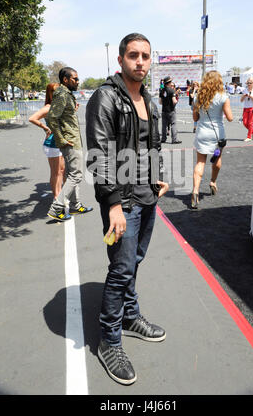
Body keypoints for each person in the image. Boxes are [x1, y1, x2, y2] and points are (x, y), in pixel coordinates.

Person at [86, 32, 169, 386]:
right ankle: (110, 340)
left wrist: (159, 177)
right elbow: (100, 155)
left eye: (145, 56)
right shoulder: (105, 98)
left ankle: (131, 316)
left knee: (134, 262)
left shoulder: (147, 98)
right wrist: (113, 204)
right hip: (122, 202)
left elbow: (149, 145)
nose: (140, 61)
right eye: (133, 55)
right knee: (120, 270)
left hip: (146, 197)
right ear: (120, 59)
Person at [46, 67, 93, 221]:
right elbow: (51, 118)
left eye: (78, 79)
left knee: (70, 174)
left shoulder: (66, 94)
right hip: (69, 142)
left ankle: (75, 205)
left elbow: (62, 116)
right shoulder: (61, 93)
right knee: (76, 175)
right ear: (65, 80)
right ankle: (57, 208)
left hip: (72, 139)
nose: (78, 82)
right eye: (75, 79)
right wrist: (61, 139)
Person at [191, 70, 233, 209]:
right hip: (217, 135)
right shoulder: (223, 97)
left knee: (200, 162)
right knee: (217, 159)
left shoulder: (199, 97)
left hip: (202, 132)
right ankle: (213, 182)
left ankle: (195, 191)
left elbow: (195, 118)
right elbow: (230, 118)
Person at [29, 83, 65, 199]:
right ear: (50, 93)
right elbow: (32, 118)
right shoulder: (48, 107)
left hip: (60, 143)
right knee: (56, 172)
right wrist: (45, 128)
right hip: (52, 144)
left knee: (62, 170)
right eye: (55, 91)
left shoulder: (57, 106)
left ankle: (60, 194)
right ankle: (56, 197)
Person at [159, 76, 182, 144]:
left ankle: (163, 138)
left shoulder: (162, 90)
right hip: (171, 110)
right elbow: (174, 101)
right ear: (169, 83)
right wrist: (176, 102)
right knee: (173, 124)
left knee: (164, 125)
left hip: (164, 110)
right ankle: (174, 139)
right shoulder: (172, 90)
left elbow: (160, 102)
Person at [240, 77, 253, 142]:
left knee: (250, 123)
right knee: (245, 123)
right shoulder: (245, 90)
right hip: (245, 108)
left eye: (250, 83)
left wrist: (251, 96)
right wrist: (244, 96)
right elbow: (241, 100)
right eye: (247, 83)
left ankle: (249, 137)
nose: (248, 84)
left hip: (252, 108)